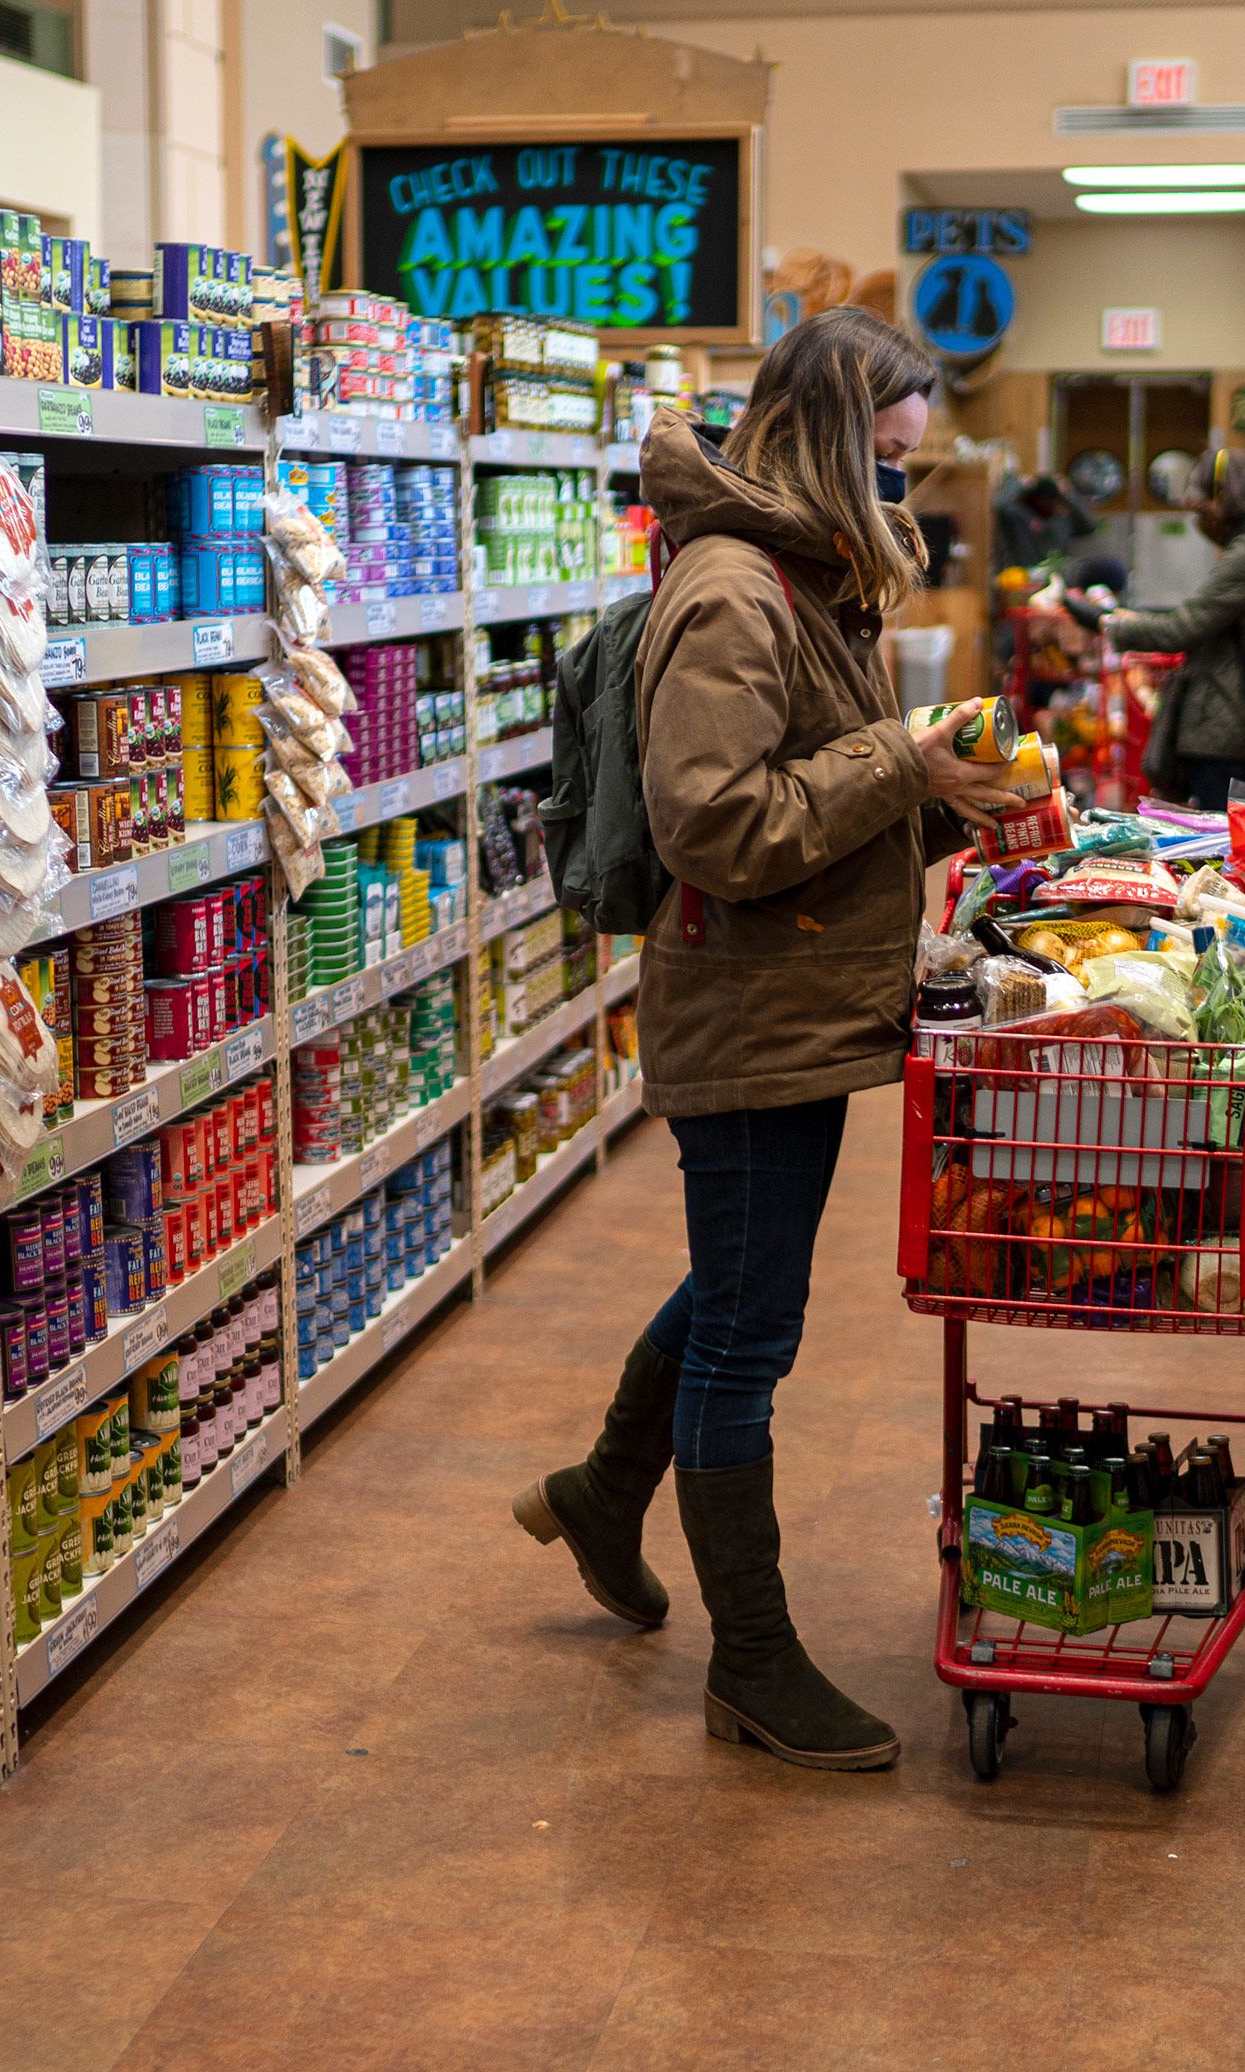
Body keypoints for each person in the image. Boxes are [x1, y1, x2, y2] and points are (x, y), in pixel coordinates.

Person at [512, 307, 1016, 1773]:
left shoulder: (808, 577)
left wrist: (939, 791)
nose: (902, 499)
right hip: (745, 1002)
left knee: (742, 1283)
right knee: (751, 1327)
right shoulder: (736, 592)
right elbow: (722, 826)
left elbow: (819, 790)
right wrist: (899, 759)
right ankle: (754, 1662)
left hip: (793, 997)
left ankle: (609, 1492)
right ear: (819, 446)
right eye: (889, 466)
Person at [1072, 448, 1245, 811]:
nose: (1199, 520)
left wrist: (1105, 623)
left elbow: (1182, 628)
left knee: (1218, 845)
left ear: (1222, 499)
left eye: (1200, 508)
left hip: (1226, 727)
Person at [993, 470, 1095, 571]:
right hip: (1024, 578)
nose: (1047, 504)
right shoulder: (1019, 517)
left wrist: (1068, 494)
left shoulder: (1061, 523)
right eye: (1043, 500)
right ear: (1035, 498)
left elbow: (1089, 526)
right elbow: (998, 506)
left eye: (1051, 500)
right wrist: (1020, 485)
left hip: (1055, 578)